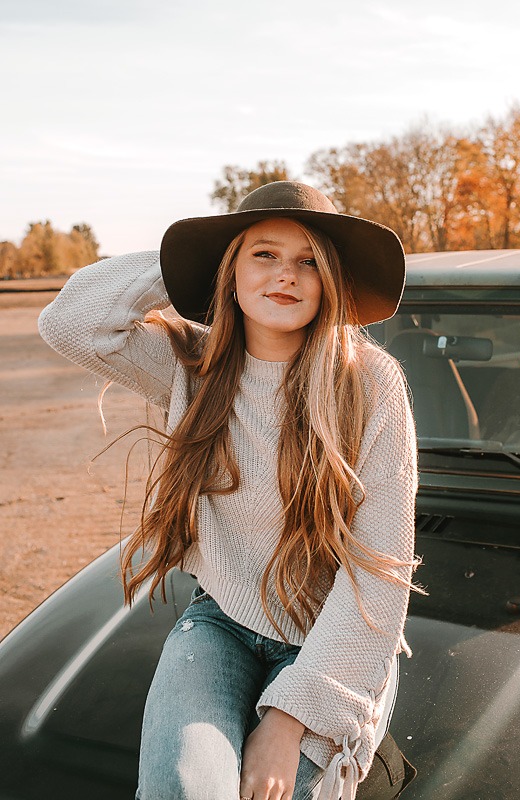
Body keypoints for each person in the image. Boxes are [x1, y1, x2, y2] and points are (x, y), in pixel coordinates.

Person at [38, 181, 419, 800]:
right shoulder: (192, 365)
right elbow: (73, 323)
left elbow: (380, 573)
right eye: (263, 254)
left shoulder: (369, 383)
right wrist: (188, 263)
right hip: (221, 620)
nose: (286, 276)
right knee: (183, 790)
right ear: (230, 271)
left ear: (330, 280)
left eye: (308, 262)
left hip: (333, 637)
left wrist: (288, 720)